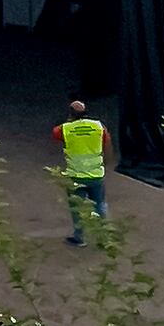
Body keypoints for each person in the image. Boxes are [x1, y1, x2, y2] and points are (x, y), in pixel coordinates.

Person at [58, 99, 109, 244]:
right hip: (96, 175)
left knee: (77, 207)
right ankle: (104, 237)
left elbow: (55, 134)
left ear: (70, 114)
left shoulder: (65, 128)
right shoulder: (98, 126)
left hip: (75, 176)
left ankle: (79, 237)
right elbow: (107, 141)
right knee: (99, 205)